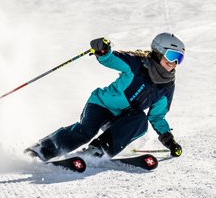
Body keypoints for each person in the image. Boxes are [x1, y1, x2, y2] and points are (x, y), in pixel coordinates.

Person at [26, 32, 185, 161]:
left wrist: (169, 141)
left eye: (179, 59)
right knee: (86, 131)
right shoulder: (137, 64)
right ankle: (42, 149)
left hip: (122, 119)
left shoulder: (167, 86)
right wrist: (103, 50)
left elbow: (157, 117)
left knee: (140, 121)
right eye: (172, 56)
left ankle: (99, 149)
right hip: (101, 105)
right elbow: (110, 59)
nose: (174, 63)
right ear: (158, 52)